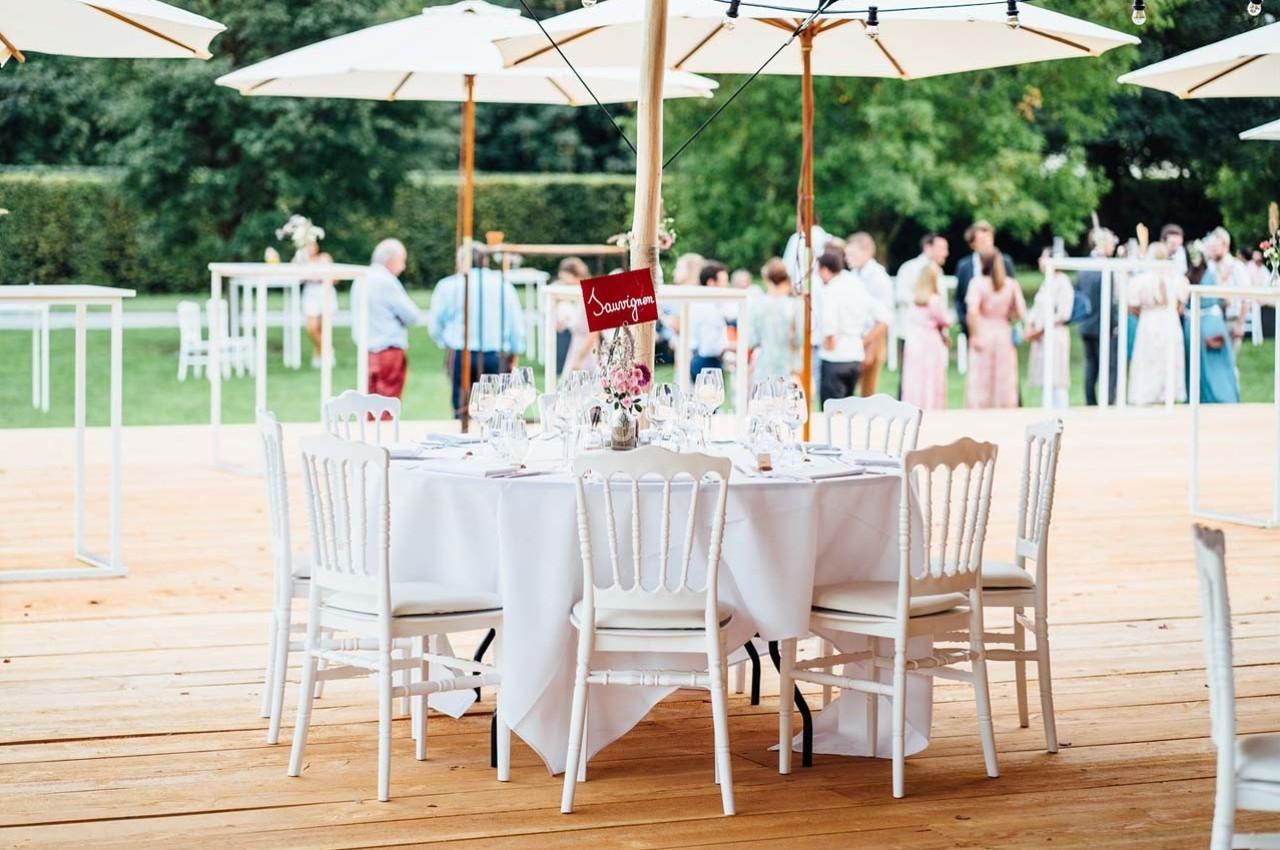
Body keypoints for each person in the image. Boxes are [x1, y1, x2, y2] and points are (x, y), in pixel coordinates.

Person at [427, 245, 526, 418]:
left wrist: (446, 342)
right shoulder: (503, 284)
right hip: (495, 355)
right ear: (485, 260)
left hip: (460, 353)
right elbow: (515, 324)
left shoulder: (448, 285)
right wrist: (515, 352)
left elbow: (435, 325)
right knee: (495, 413)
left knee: (462, 412)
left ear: (460, 262)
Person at [349, 239, 420, 401]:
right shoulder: (387, 281)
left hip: (366, 351)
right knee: (387, 404)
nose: (404, 267)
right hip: (388, 350)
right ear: (392, 260)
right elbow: (412, 315)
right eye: (402, 261)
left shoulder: (360, 279)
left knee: (368, 405)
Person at [817, 250, 889, 405]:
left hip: (835, 357)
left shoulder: (830, 291)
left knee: (832, 412)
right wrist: (863, 341)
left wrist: (829, 343)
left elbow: (829, 326)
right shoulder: (856, 285)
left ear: (824, 269)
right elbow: (883, 318)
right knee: (848, 410)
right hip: (855, 355)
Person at [1127, 244, 1188, 406]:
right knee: (1168, 356)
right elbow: (1181, 305)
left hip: (1149, 319)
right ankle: (1167, 393)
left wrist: (1146, 313)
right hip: (1169, 318)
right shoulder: (1176, 278)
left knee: (1149, 357)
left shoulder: (1141, 280)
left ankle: (1147, 393)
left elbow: (1132, 305)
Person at [965, 251, 1025, 409]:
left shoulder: (977, 283)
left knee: (981, 378)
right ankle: (1005, 409)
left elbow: (972, 312)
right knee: (1004, 377)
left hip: (983, 331)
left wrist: (974, 335)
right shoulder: (1011, 284)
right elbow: (1019, 311)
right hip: (1003, 332)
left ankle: (979, 410)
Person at [1185, 243, 1241, 404]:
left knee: (1202, 362)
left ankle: (1206, 397)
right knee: (1214, 363)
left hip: (1198, 323)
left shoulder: (1189, 275)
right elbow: (1224, 300)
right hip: (1207, 322)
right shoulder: (1209, 274)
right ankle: (1222, 397)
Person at [844, 232, 894, 395]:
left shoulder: (878, 278)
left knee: (867, 390)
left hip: (873, 337)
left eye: (852, 254)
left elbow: (884, 317)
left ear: (867, 252)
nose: (847, 258)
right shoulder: (852, 275)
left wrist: (868, 345)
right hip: (855, 336)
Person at [1027, 249, 1074, 409]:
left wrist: (1041, 328)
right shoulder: (1046, 282)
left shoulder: (1063, 282)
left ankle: (1060, 413)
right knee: (1046, 378)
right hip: (1042, 337)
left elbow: (1063, 312)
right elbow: (1036, 309)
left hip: (1055, 334)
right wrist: (1031, 325)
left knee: (1057, 378)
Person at [900, 261, 951, 410]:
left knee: (915, 377)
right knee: (930, 376)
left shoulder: (914, 300)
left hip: (914, 342)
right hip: (930, 341)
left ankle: (913, 405)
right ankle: (931, 406)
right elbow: (944, 320)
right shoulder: (934, 300)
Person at [1077, 227, 1118, 406]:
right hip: (1103, 324)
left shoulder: (1083, 267)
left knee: (1091, 366)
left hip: (1086, 324)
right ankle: (1108, 402)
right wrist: (1114, 324)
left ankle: (1090, 402)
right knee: (1110, 366)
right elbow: (1109, 300)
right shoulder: (1105, 268)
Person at [954, 220, 1015, 335]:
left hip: (1000, 327)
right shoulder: (964, 266)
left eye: (989, 239)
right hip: (973, 328)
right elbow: (959, 298)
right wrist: (965, 323)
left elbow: (1012, 295)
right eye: (982, 240)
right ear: (973, 244)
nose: (987, 244)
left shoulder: (1005, 262)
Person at [746, 258, 799, 383]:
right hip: (791, 366)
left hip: (765, 366)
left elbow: (751, 340)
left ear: (766, 279)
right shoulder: (795, 305)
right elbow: (800, 339)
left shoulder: (757, 305)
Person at [1205, 227, 1250, 358]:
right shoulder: (1209, 267)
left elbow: (1246, 298)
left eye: (1215, 247)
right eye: (1210, 247)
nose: (1211, 250)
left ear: (1225, 245)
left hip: (1232, 321)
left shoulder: (1237, 267)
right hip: (1212, 321)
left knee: (1230, 362)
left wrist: (1240, 325)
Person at [297, 238, 338, 368]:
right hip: (310, 294)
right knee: (312, 328)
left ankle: (319, 354)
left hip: (324, 292)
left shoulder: (324, 258)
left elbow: (335, 278)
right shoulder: (301, 261)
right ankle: (328, 350)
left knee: (324, 328)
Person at [555, 257, 597, 377]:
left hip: (587, 351)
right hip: (575, 346)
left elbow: (594, 333)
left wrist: (579, 359)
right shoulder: (576, 296)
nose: (565, 284)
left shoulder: (591, 295)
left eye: (567, 280)